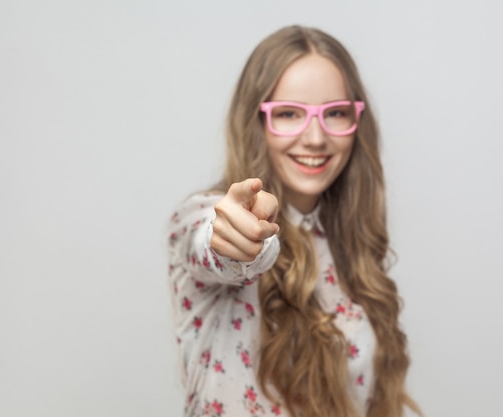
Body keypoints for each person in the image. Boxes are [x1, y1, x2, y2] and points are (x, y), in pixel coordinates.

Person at [168, 25, 419, 417]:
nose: (316, 138)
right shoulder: (204, 215)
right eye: (288, 114)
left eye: (335, 113)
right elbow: (217, 244)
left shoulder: (348, 243)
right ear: (257, 122)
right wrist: (238, 238)